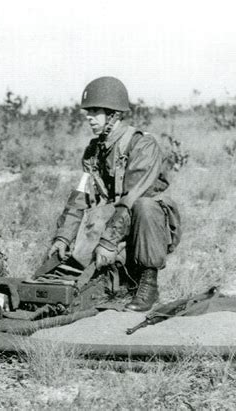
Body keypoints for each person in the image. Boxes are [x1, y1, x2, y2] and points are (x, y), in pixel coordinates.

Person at [48, 77, 181, 311]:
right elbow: (81, 195)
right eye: (88, 111)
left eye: (95, 111)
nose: (89, 117)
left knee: (146, 206)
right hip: (113, 223)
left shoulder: (143, 145)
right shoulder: (93, 151)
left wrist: (108, 242)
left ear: (113, 114)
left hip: (142, 224)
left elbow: (131, 199)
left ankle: (148, 283)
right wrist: (63, 237)